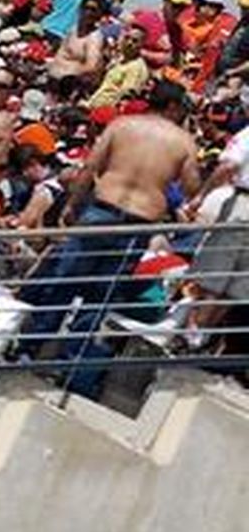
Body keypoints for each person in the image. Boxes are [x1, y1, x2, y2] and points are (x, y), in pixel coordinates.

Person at [21, 80, 201, 395]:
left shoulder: (122, 126)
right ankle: (69, 362)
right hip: (137, 224)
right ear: (173, 107)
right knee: (98, 297)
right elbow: (190, 188)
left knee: (64, 284)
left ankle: (27, 349)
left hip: (101, 211)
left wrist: (74, 205)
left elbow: (90, 167)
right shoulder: (183, 142)